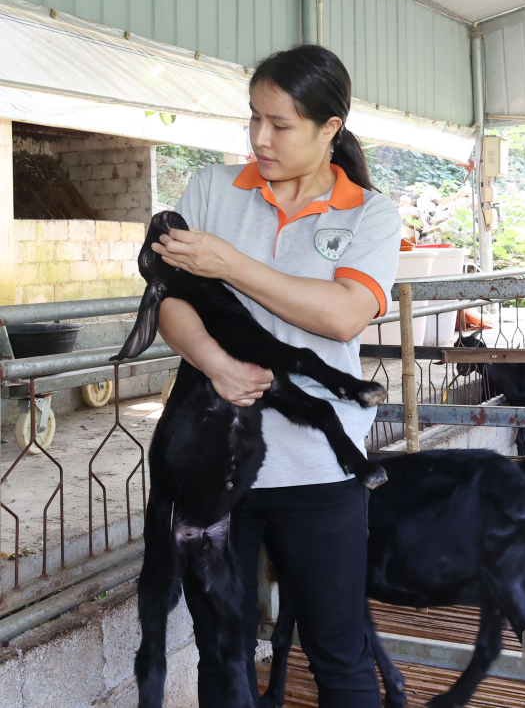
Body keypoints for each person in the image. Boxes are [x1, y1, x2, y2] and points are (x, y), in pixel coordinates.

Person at [152, 44, 401, 708]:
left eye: (281, 124)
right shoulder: (210, 188)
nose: (260, 138)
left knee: (338, 653)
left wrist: (229, 263)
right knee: (223, 653)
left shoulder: (368, 213)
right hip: (216, 463)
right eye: (253, 119)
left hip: (318, 470)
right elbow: (170, 301)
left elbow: (343, 315)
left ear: (330, 129)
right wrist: (216, 363)